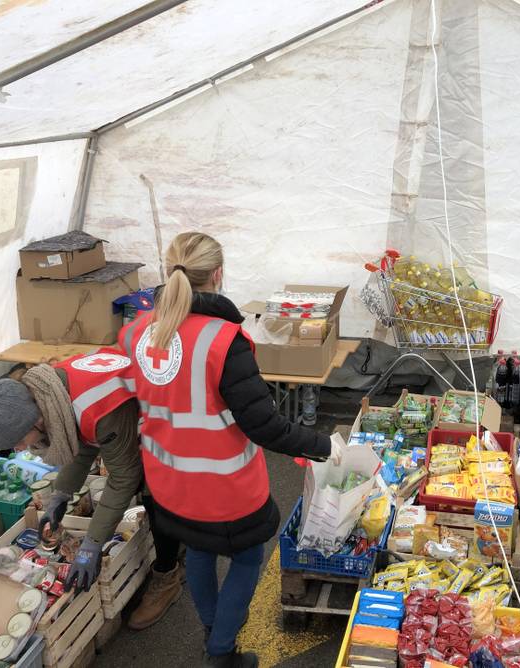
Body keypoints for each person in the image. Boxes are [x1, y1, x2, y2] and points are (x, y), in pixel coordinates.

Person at [118, 231, 343, 668]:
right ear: (218, 274)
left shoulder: (135, 333)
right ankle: (221, 652)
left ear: (169, 270)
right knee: (246, 559)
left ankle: (211, 631)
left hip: (170, 485)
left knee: (200, 553)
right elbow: (264, 425)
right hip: (226, 488)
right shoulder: (223, 340)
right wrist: (323, 445)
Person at [0, 357, 184, 629]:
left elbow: (124, 478)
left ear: (35, 421)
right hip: (139, 413)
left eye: (18, 441)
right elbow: (85, 441)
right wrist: (61, 495)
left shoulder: (95, 408)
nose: (19, 450)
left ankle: (168, 576)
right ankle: (179, 544)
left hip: (175, 420)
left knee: (157, 497)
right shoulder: (50, 390)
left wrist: (92, 545)